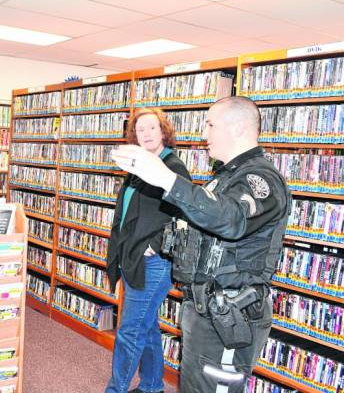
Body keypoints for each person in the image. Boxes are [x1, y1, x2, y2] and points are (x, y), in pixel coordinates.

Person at [111, 96, 291, 392]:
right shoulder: (224, 177)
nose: (203, 134)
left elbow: (231, 219)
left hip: (231, 314)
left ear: (239, 128)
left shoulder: (261, 179)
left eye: (210, 124)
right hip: (206, 310)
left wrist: (167, 180)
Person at [105, 108, 191, 393]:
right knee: (147, 326)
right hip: (133, 256)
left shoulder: (173, 167)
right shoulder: (138, 167)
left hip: (153, 262)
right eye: (140, 130)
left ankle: (115, 389)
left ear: (163, 131)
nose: (146, 134)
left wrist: (154, 246)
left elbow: (183, 212)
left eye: (152, 128)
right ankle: (153, 385)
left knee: (130, 330)